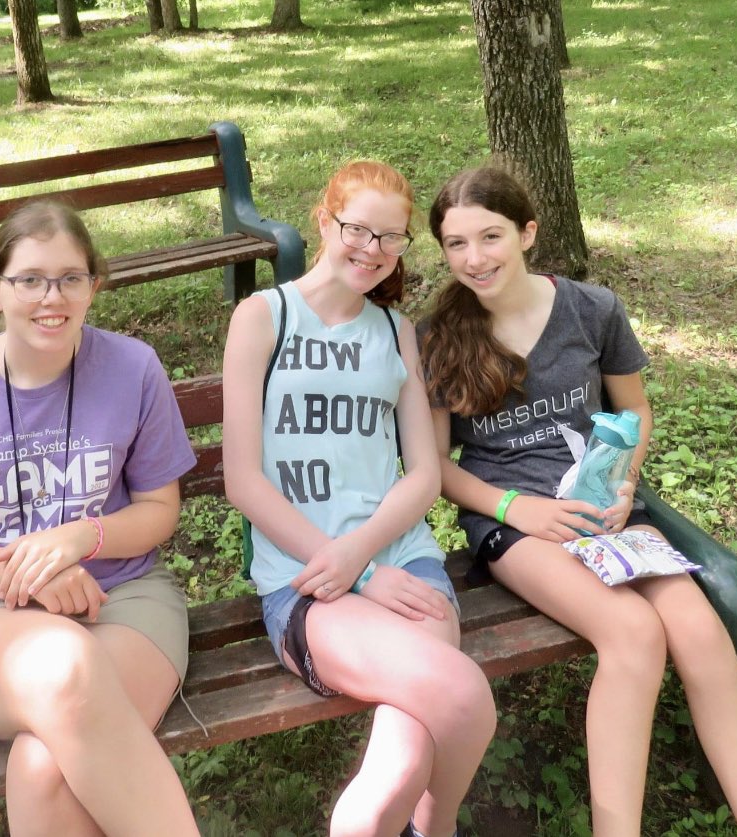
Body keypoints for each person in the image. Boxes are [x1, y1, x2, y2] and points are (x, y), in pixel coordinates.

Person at [419, 165, 737, 836]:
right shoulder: (439, 336)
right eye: (455, 243)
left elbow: (635, 410)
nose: (474, 258)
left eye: (491, 236)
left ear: (528, 232)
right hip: (517, 525)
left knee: (704, 632)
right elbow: (436, 469)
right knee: (633, 634)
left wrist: (624, 483)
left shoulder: (593, 309)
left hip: (608, 510)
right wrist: (514, 510)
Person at [0, 201, 201, 837]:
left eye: (70, 277)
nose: (50, 297)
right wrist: (34, 571)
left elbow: (158, 511)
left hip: (125, 598)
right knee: (63, 664)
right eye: (29, 279)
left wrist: (80, 537)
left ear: (95, 285)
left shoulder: (133, 369)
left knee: (42, 767)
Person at [222, 161, 497, 837]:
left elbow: (423, 475)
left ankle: (425, 828)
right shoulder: (263, 317)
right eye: (358, 230)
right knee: (460, 693)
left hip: (403, 562)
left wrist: (371, 558)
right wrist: (351, 568)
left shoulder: (395, 332)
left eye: (391, 238)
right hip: (307, 579)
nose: (372, 250)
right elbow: (243, 479)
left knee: (392, 781)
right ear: (324, 220)